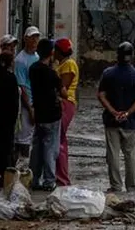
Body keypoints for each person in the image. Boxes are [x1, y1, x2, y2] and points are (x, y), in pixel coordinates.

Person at [98, 41, 135, 193]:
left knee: (113, 155)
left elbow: (101, 95)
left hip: (111, 120)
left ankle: (116, 185)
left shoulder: (108, 74)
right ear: (132, 56)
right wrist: (128, 112)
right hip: (130, 122)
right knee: (130, 154)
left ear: (117, 56)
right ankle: (132, 185)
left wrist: (113, 111)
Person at [29, 38, 62, 191]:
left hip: (39, 113)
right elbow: (64, 93)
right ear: (51, 53)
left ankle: (34, 178)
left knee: (37, 147)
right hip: (52, 115)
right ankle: (49, 180)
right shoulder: (52, 73)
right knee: (50, 148)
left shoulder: (33, 69)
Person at [0, 43, 19, 181]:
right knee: (7, 144)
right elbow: (14, 101)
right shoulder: (10, 78)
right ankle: (5, 171)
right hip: (8, 116)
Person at [54, 37, 79, 186]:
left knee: (60, 139)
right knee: (59, 139)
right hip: (64, 103)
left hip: (65, 103)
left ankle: (62, 177)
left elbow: (63, 89)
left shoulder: (69, 65)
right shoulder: (63, 64)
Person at [14, 26, 41, 161]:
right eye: (32, 37)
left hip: (37, 100)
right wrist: (30, 108)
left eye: (37, 37)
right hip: (28, 102)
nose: (35, 40)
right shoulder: (20, 60)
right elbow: (22, 86)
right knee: (24, 137)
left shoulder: (37, 57)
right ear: (25, 39)